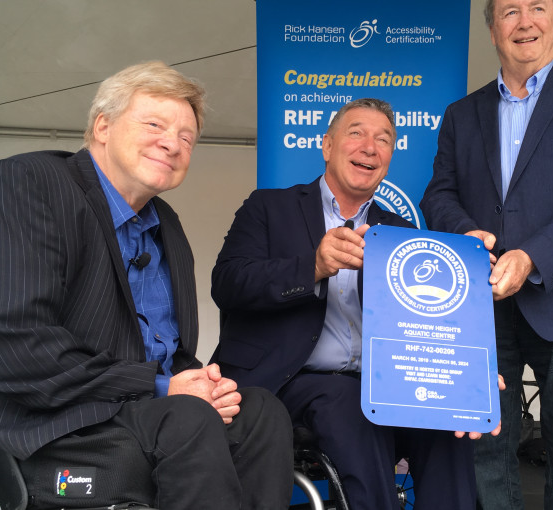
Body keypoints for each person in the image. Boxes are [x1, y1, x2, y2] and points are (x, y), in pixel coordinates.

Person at [0, 61, 293, 510]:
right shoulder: (24, 184)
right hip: (49, 414)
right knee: (187, 419)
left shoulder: (166, 225)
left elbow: (168, 352)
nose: (172, 143)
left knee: (260, 411)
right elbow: (16, 347)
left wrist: (202, 384)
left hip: (143, 408)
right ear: (102, 126)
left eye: (187, 138)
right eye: (154, 125)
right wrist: (164, 389)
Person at [210, 98, 496, 510]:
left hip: (384, 384)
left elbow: (432, 321)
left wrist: (465, 376)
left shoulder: (400, 233)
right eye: (357, 133)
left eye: (384, 140)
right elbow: (229, 284)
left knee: (445, 424)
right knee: (349, 402)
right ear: (327, 145)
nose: (370, 147)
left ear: (390, 158)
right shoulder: (268, 207)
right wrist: (313, 266)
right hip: (290, 380)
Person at [419, 0, 553, 508]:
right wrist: (465, 233)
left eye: (538, 7)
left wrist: (532, 257)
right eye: (509, 11)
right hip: (482, 305)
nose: (525, 21)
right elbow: (438, 194)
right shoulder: (461, 114)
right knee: (484, 452)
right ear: (493, 29)